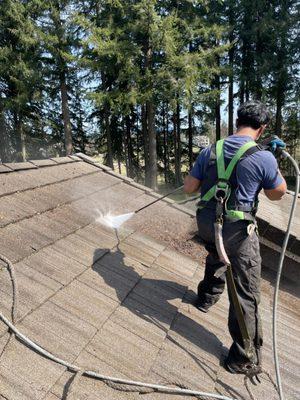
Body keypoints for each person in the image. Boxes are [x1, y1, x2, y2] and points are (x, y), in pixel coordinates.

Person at [184, 101, 287, 374]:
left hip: (207, 224)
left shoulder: (211, 149)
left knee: (218, 253)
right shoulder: (264, 157)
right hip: (235, 231)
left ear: (237, 120)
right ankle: (242, 357)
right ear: (262, 128)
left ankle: (205, 298)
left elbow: (189, 187)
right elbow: (277, 193)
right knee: (246, 290)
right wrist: (271, 162)